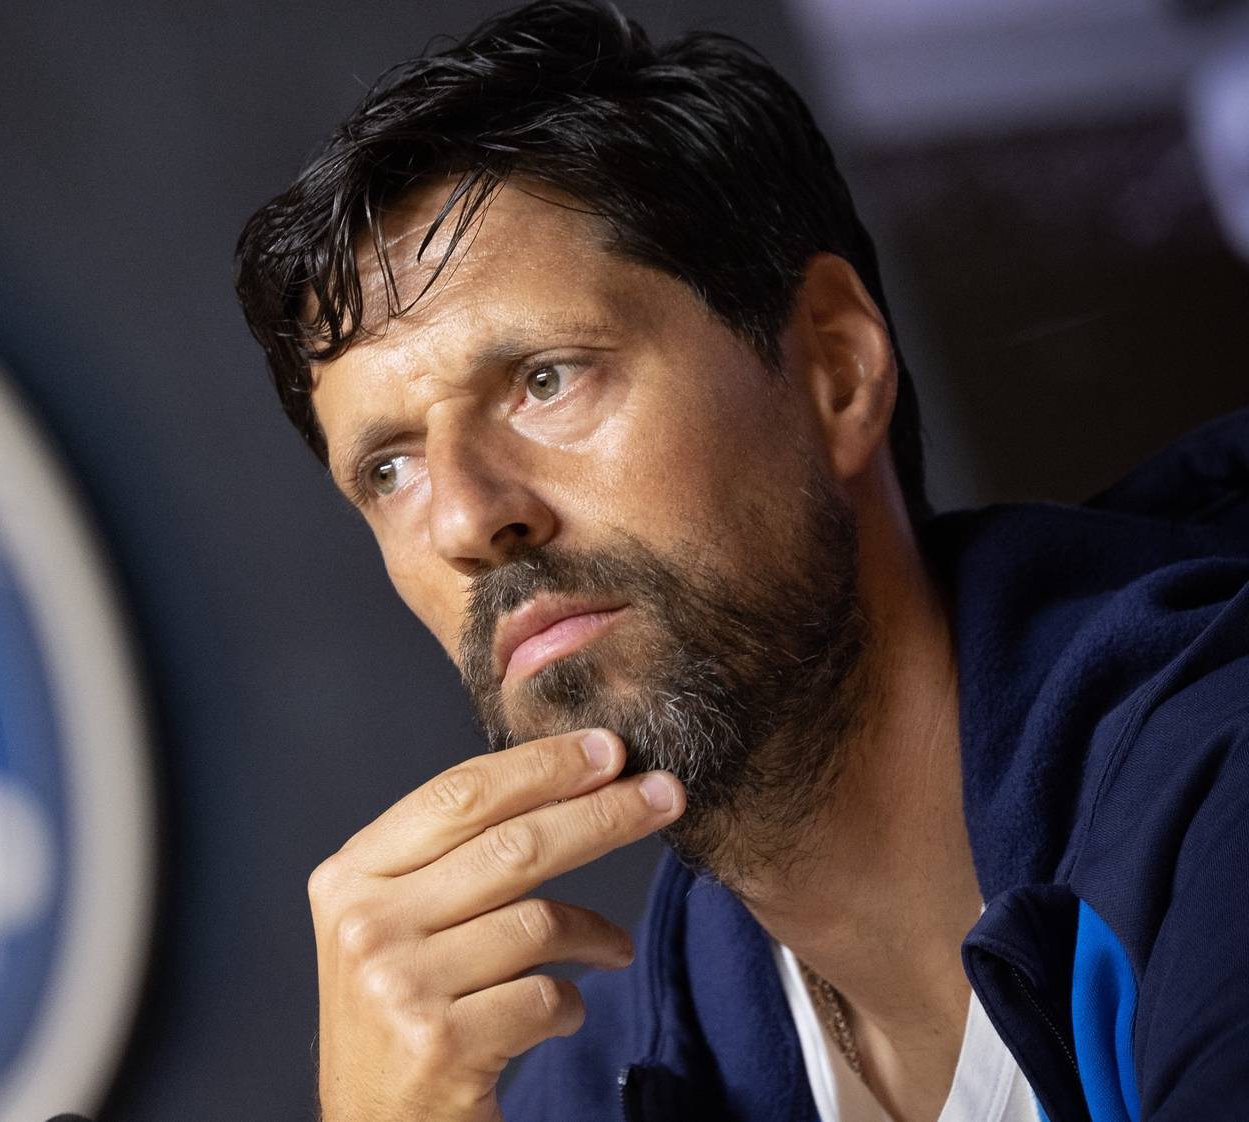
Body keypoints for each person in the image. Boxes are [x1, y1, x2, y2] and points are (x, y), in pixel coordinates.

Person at [231, 2, 1249, 1120]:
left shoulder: (1211, 796)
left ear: (832, 369)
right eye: (387, 470)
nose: (466, 519)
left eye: (544, 378)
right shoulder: (624, 1064)